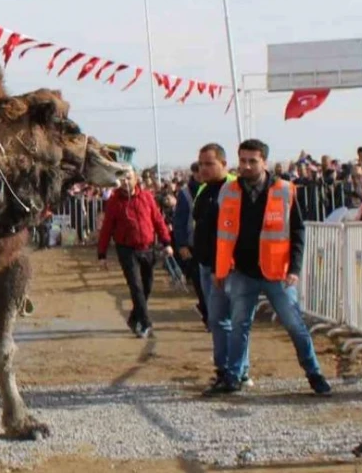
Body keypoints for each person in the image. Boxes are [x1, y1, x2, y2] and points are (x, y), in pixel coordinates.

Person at [211, 139, 331, 396]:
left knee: (295, 325)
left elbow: (298, 232)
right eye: (242, 160)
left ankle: (314, 373)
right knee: (239, 325)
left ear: (264, 162)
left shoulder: (285, 191)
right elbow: (221, 234)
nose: (246, 165)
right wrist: (220, 270)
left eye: (252, 161)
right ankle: (233, 376)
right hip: (243, 272)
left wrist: (295, 269)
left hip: (278, 274)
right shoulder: (229, 191)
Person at [194, 143, 253, 393]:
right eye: (201, 164)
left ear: (223, 164)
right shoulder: (204, 190)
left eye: (209, 164)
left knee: (236, 320)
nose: (204, 169)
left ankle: (239, 371)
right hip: (208, 266)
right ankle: (223, 369)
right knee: (217, 320)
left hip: (230, 268)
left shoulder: (233, 190)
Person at [97, 166, 174, 338]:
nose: (125, 182)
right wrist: (102, 254)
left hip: (147, 247)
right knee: (136, 286)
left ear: (136, 178)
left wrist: (166, 241)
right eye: (122, 178)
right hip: (126, 249)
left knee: (147, 286)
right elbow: (107, 229)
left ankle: (134, 318)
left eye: (128, 177)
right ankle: (146, 323)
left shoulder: (146, 197)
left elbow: (158, 220)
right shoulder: (114, 202)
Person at [173, 162, 207, 326]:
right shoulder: (185, 193)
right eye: (198, 173)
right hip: (193, 244)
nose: (202, 175)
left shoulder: (215, 188)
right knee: (199, 282)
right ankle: (207, 315)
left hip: (211, 243)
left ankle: (208, 311)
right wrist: (181, 245)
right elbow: (178, 220)